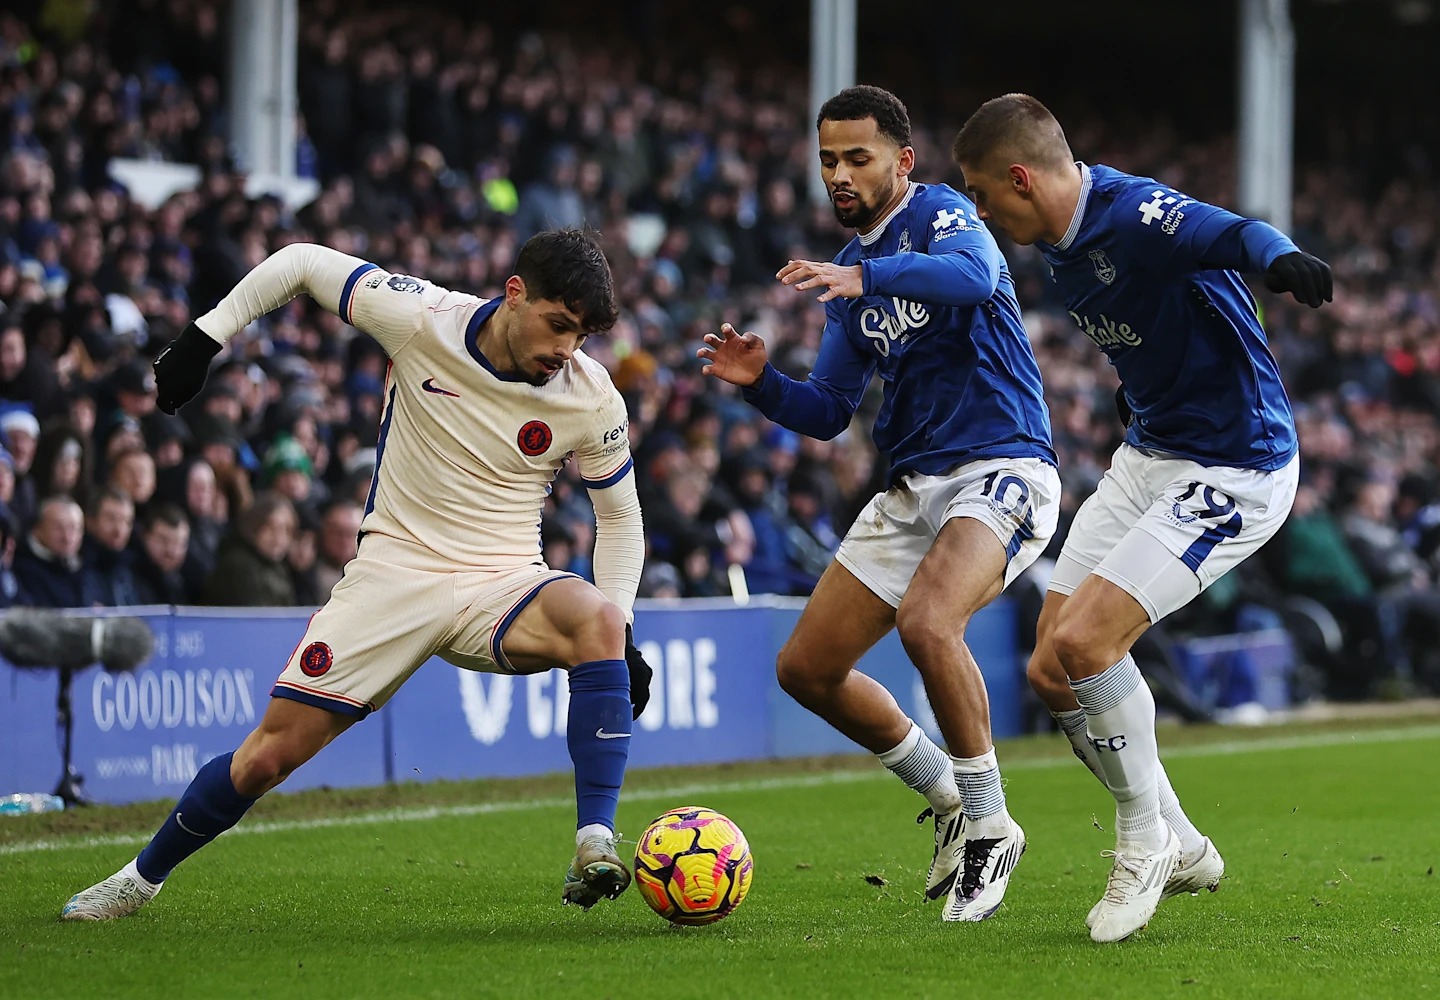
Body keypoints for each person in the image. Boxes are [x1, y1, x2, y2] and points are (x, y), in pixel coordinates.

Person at [62, 229, 653, 920]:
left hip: (504, 581)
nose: (566, 351)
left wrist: (625, 631)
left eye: (582, 336)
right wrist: (205, 336)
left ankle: (593, 839)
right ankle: (139, 880)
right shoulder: (422, 318)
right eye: (559, 326)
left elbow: (620, 518)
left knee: (600, 620)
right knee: (264, 760)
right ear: (515, 294)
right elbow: (304, 263)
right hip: (394, 575)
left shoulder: (591, 396)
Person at [951, 93, 1332, 942]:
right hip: (1151, 456)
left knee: (1090, 643)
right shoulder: (1054, 246)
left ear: (1020, 177)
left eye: (981, 192)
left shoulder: (1133, 213)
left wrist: (1284, 258)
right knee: (1052, 666)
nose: (978, 211)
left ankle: (1141, 843)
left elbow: (1229, 233)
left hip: (1237, 465)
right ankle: (1185, 841)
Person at [699, 86, 1058, 922]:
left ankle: (994, 823)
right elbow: (827, 411)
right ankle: (946, 798)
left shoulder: (941, 216)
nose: (840, 174)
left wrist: (863, 275)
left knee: (929, 623)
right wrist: (762, 386)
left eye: (858, 157)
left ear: (902, 160)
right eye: (828, 159)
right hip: (915, 485)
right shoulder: (850, 273)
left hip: (1000, 467)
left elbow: (973, 278)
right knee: (806, 669)